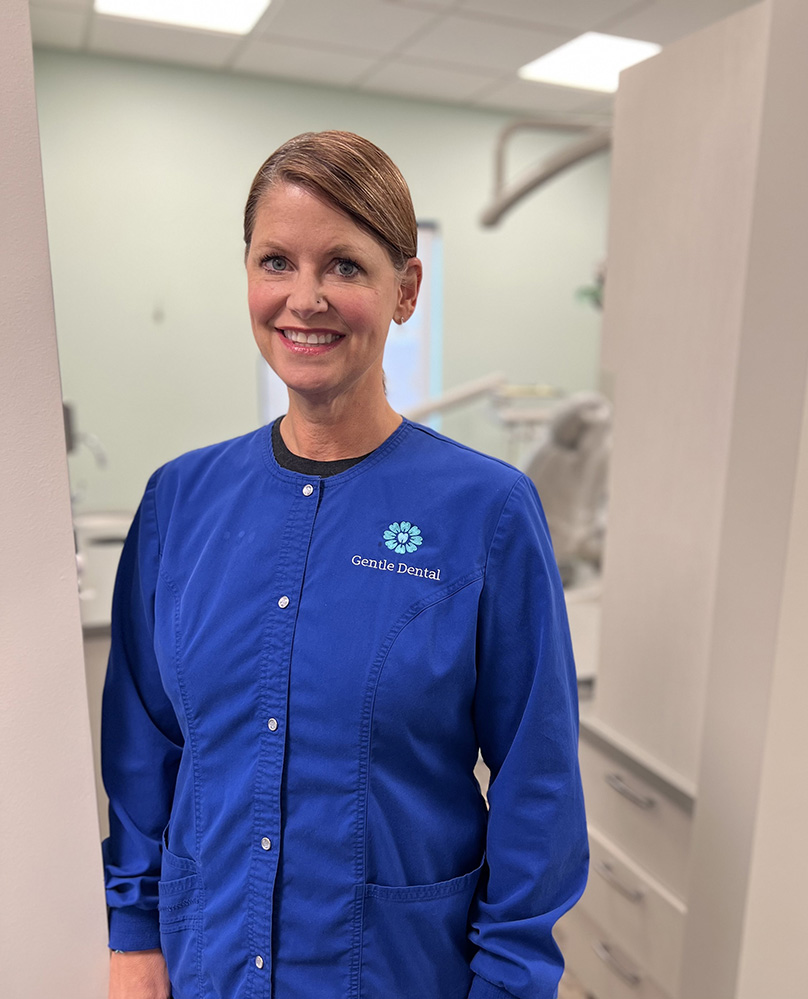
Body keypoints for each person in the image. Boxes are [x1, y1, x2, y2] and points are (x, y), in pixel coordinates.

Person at [102, 130, 588, 999]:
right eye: (276, 260)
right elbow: (146, 743)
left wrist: (511, 981)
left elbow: (536, 779)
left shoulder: (485, 511)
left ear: (405, 291)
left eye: (346, 267)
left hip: (398, 972)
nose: (304, 298)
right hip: (206, 964)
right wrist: (134, 935)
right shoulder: (180, 500)